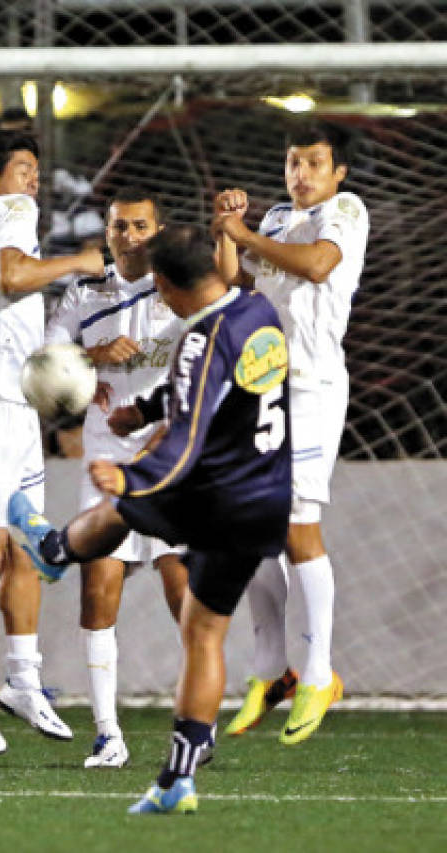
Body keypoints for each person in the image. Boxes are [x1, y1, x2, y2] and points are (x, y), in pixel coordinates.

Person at [9, 225, 292, 814]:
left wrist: (132, 477)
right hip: (266, 495)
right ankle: (177, 780)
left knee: (118, 505)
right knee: (202, 633)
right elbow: (227, 386)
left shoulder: (198, 341)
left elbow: (184, 446)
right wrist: (150, 406)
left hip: (216, 492)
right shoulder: (258, 308)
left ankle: (54, 550)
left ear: (163, 285)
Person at [0, 130, 104, 755]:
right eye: (22, 168)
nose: (33, 180)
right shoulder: (8, 212)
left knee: (26, 550)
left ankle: (23, 681)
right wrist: (80, 264)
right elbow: (12, 276)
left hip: (13, 404)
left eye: (36, 170)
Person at [213, 122, 367, 744]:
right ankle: (271, 670)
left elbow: (317, 265)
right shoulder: (275, 216)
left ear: (338, 172)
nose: (300, 173)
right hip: (263, 385)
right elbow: (232, 281)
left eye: (313, 162)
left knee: (299, 521)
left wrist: (246, 235)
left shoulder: (345, 211)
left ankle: (320, 675)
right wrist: (224, 227)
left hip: (313, 385)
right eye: (292, 162)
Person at [44, 188, 188, 768]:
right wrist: (93, 355)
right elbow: (46, 371)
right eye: (119, 226)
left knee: (187, 597)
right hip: (104, 467)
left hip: (169, 463)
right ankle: (108, 734)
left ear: (158, 230)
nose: (130, 235)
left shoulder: (181, 288)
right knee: (98, 594)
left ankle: (194, 726)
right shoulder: (83, 295)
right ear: (105, 234)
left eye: (140, 225)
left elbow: (212, 358)